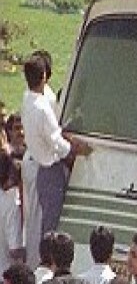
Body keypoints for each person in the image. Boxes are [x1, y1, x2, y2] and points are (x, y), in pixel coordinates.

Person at [20, 54, 92, 268]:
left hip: (42, 166)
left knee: (43, 220)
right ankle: (48, 263)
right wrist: (75, 150)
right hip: (50, 168)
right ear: (44, 76)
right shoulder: (42, 108)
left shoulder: (28, 99)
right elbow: (55, 140)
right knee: (51, 224)